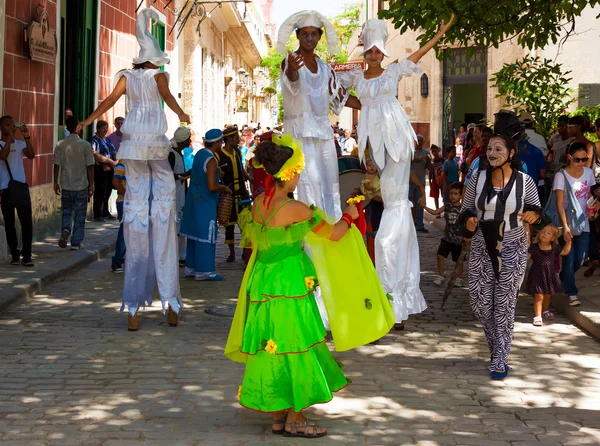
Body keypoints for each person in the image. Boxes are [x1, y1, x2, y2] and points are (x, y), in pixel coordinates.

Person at [224, 134, 394, 438]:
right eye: (298, 170)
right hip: (290, 286)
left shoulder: (260, 205)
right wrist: (350, 214)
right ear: (288, 173)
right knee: (297, 346)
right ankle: (297, 419)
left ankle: (279, 414)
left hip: (263, 285)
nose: (299, 175)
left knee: (272, 345)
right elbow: (334, 234)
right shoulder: (296, 209)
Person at [77, 7, 190, 330]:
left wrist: (88, 119)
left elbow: (109, 102)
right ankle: (170, 303)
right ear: (154, 61)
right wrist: (182, 114)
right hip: (153, 142)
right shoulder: (158, 76)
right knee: (165, 210)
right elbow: (167, 97)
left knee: (138, 218)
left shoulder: (126, 77)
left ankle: (133, 310)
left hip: (132, 146)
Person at [338, 17, 452, 327]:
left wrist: (439, 33)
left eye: (377, 51)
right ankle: (389, 296)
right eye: (369, 52)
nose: (373, 56)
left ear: (382, 53)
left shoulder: (392, 72)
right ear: (364, 53)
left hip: (396, 141)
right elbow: (348, 98)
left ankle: (395, 296)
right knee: (387, 213)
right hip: (373, 144)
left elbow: (417, 56)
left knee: (395, 212)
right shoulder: (358, 80)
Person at [459, 124, 542, 380]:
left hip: (513, 246)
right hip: (483, 245)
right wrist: (469, 222)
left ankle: (500, 358)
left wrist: (533, 215)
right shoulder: (477, 178)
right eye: (489, 148)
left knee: (504, 304)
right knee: (480, 302)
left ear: (512, 153)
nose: (492, 153)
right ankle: (498, 345)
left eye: (498, 148)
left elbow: (538, 212)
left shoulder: (524, 181)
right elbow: (465, 211)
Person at [277, 10, 360, 220]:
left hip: (323, 134)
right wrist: (293, 70)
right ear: (297, 36)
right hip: (301, 135)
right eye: (305, 34)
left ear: (320, 37)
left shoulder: (326, 69)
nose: (309, 38)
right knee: (309, 183)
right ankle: (311, 237)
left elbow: (340, 97)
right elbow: (292, 79)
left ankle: (331, 229)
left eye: (314, 34)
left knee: (330, 182)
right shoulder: (290, 62)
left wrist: (372, 104)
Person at [180, 129, 231, 281]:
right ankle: (205, 271)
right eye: (221, 142)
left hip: (193, 201)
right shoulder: (211, 160)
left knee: (194, 236)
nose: (221, 144)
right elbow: (211, 186)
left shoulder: (200, 154)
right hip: (205, 203)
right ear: (216, 142)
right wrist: (224, 187)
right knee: (206, 236)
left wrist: (216, 174)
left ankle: (191, 268)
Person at [553, 142, 597, 307]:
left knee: (581, 257)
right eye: (577, 160)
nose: (581, 163)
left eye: (584, 159)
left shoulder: (588, 172)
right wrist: (564, 227)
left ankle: (564, 278)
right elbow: (559, 203)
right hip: (567, 221)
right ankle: (571, 292)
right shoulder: (561, 176)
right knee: (569, 259)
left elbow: (592, 193)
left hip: (583, 220)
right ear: (569, 158)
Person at [53, 115, 95, 250]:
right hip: (81, 185)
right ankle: (76, 242)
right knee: (80, 214)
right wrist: (91, 184)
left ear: (66, 128)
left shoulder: (60, 144)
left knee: (66, 211)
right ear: (78, 128)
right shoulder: (85, 145)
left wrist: (55, 182)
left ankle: (65, 230)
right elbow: (90, 166)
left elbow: (56, 164)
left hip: (66, 184)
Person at [0, 116, 35, 266]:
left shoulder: (20, 144)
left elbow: (31, 155)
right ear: (1, 128)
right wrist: (9, 138)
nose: (11, 128)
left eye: (12, 125)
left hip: (20, 187)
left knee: (26, 223)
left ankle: (26, 256)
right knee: (9, 224)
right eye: (7, 125)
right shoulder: (0, 145)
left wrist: (26, 136)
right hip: (6, 189)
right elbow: (3, 156)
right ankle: (14, 254)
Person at [216, 124, 251, 262]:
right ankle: (231, 253)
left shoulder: (237, 152)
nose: (238, 140)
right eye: (236, 138)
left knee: (245, 223)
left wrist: (248, 177)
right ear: (229, 139)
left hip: (241, 191)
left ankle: (244, 251)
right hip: (229, 193)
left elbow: (241, 169)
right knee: (229, 225)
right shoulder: (219, 155)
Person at [420, 182, 464, 287]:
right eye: (451, 193)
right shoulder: (447, 206)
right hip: (447, 238)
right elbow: (435, 212)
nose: (453, 196)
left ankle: (458, 278)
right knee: (440, 255)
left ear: (461, 195)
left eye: (456, 194)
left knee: (459, 260)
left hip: (458, 240)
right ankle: (441, 276)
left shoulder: (464, 208)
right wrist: (424, 207)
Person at [526, 224, 571, 326]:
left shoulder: (555, 247)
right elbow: (526, 257)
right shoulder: (534, 247)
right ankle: (537, 316)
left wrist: (568, 242)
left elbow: (564, 252)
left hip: (550, 274)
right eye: (542, 231)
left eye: (548, 233)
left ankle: (545, 311)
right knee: (539, 295)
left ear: (553, 238)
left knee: (548, 295)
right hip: (537, 274)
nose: (544, 234)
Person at [170, 126, 192, 266]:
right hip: (174, 195)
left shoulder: (179, 153)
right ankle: (175, 255)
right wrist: (184, 175)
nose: (190, 141)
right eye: (188, 138)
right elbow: (168, 174)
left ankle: (182, 255)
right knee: (175, 225)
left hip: (181, 194)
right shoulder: (171, 154)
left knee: (181, 225)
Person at [91, 120, 117, 221]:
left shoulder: (107, 140)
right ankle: (98, 214)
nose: (105, 130)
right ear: (98, 128)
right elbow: (96, 155)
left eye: (106, 127)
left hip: (109, 169)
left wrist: (116, 160)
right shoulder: (95, 141)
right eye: (103, 128)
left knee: (108, 191)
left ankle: (106, 212)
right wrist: (110, 161)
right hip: (100, 169)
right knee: (100, 192)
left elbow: (113, 151)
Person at [584, 118, 600, 277]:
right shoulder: (592, 147)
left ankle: (594, 258)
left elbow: (587, 170)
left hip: (595, 190)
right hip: (595, 190)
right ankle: (594, 257)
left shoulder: (592, 147)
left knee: (592, 225)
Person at [546, 115, 574, 202]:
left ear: (568, 126)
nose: (559, 128)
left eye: (562, 126)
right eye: (558, 126)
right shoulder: (554, 138)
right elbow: (548, 148)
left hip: (564, 171)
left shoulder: (572, 140)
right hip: (552, 170)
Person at [361, 154, 383, 263]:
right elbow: (368, 188)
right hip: (373, 203)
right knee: (373, 224)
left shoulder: (378, 176)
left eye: (373, 165)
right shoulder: (367, 177)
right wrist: (374, 192)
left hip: (381, 203)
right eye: (369, 165)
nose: (372, 167)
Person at [410, 135, 432, 233]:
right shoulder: (410, 152)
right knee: (410, 204)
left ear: (423, 142)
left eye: (420, 140)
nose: (418, 142)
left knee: (420, 204)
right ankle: (411, 224)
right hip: (409, 182)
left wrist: (428, 162)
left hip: (421, 182)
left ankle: (420, 225)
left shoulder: (426, 153)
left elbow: (431, 168)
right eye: (417, 140)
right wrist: (413, 160)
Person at [111, 161, 126, 273]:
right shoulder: (121, 164)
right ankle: (118, 260)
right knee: (124, 231)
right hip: (124, 202)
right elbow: (116, 182)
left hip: (135, 202)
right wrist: (128, 194)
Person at [429, 145, 445, 210]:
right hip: (435, 180)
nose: (434, 153)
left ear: (438, 150)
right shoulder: (432, 161)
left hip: (442, 180)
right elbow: (430, 171)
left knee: (444, 196)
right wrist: (430, 181)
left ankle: (445, 209)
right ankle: (437, 210)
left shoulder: (443, 160)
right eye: (433, 151)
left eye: (435, 151)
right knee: (435, 196)